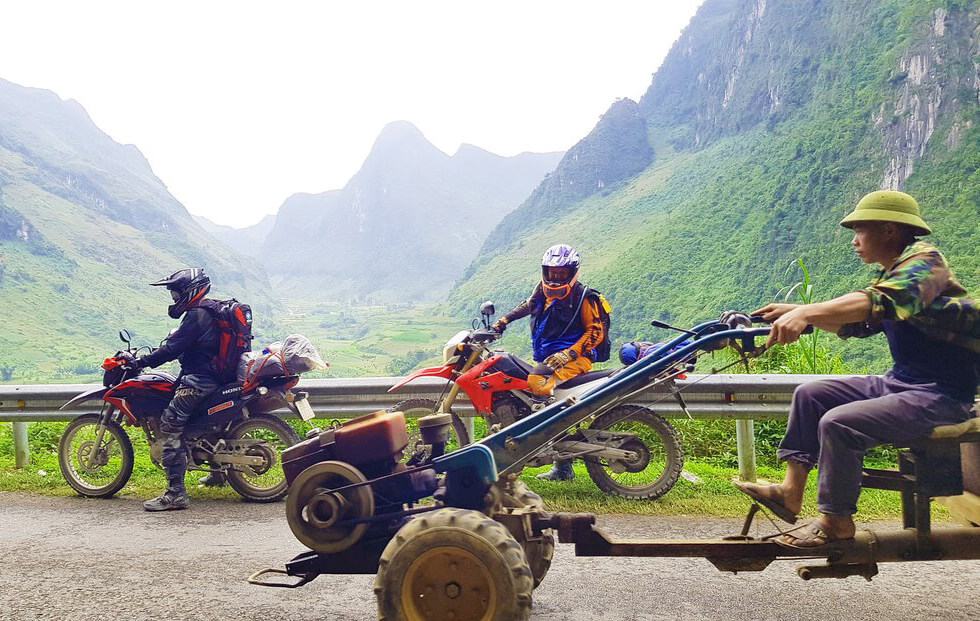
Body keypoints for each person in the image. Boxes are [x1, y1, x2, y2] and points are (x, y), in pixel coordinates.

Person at [736, 190, 980, 547]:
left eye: (860, 231)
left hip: (941, 396)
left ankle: (836, 522)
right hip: (901, 384)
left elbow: (878, 302)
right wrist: (802, 314)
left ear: (888, 230)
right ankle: (790, 492)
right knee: (811, 395)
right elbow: (858, 323)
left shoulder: (925, 264)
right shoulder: (894, 272)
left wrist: (807, 312)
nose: (854, 241)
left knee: (840, 423)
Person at [492, 244, 608, 481]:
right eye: (551, 272)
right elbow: (530, 305)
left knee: (537, 381)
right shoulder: (542, 291)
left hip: (576, 360)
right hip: (547, 358)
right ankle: (563, 469)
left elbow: (595, 333)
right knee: (534, 392)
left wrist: (569, 355)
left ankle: (541, 445)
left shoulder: (585, 297)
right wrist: (504, 321)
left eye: (561, 273)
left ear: (572, 272)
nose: (555, 278)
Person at [131, 268, 223, 511]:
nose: (174, 298)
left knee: (170, 426)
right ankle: (219, 473)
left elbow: (172, 348)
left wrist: (142, 362)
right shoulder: (210, 310)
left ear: (190, 291)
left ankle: (175, 494)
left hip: (199, 381)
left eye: (176, 293)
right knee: (202, 424)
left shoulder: (196, 316)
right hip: (214, 378)